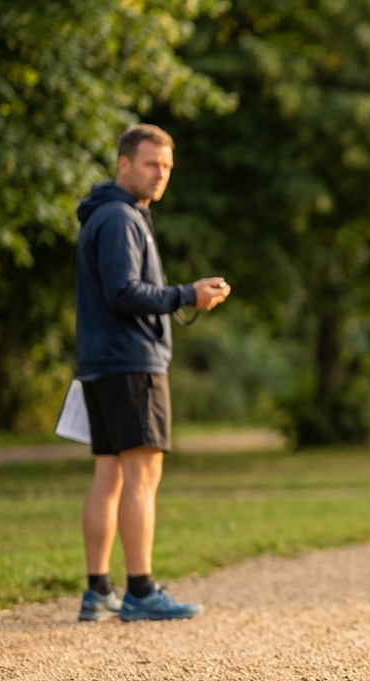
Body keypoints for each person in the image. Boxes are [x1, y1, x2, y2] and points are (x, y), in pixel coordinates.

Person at [75, 125, 231, 621]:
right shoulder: (121, 218)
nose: (160, 174)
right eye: (150, 164)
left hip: (101, 363)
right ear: (124, 164)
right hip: (130, 363)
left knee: (110, 473)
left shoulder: (108, 214)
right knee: (142, 475)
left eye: (166, 167)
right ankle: (140, 591)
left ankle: (99, 591)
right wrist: (188, 295)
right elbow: (124, 292)